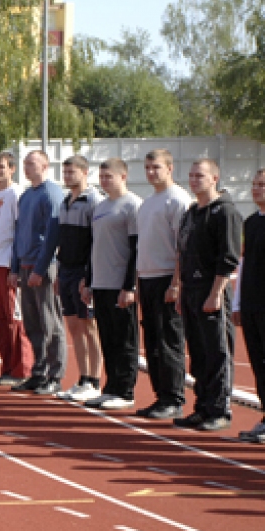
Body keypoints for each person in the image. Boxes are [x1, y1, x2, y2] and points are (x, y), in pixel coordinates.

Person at [173, 158, 241, 432]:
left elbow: (229, 258)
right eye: (190, 175)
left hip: (212, 291)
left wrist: (215, 294)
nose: (194, 180)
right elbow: (182, 252)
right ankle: (202, 407)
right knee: (198, 353)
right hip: (190, 290)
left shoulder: (225, 213)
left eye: (199, 175)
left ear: (215, 178)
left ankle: (219, 409)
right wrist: (178, 287)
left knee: (217, 352)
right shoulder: (190, 213)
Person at [135, 149, 191, 420]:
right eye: (147, 167)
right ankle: (161, 396)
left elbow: (183, 247)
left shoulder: (178, 200)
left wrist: (176, 283)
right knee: (153, 340)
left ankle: (173, 397)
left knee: (169, 339)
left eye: (156, 167)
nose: (150, 172)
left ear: (170, 168)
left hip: (166, 277)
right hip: (146, 279)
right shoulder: (148, 203)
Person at [81, 158, 141, 410]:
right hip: (101, 282)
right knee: (108, 337)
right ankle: (111, 386)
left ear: (123, 176)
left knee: (124, 338)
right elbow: (94, 245)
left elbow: (136, 248)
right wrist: (89, 280)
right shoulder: (100, 206)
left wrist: (129, 286)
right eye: (102, 177)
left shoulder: (133, 205)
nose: (104, 181)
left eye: (109, 177)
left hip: (120, 284)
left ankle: (125, 390)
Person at [10, 150, 68, 396]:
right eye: (25, 164)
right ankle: (38, 372)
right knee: (33, 323)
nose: (26, 167)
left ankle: (55, 376)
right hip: (24, 266)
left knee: (50, 323)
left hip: (42, 268)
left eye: (31, 163)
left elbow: (52, 237)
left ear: (45, 165)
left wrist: (40, 268)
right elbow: (18, 233)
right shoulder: (25, 197)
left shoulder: (51, 194)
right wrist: (14, 268)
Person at [54, 155, 103, 403]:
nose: (67, 177)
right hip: (66, 271)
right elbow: (63, 240)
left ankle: (95, 380)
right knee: (74, 327)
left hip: (84, 273)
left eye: (72, 172)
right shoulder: (65, 203)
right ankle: (83, 378)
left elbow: (95, 242)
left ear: (85, 172)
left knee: (89, 326)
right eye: (65, 172)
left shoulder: (93, 201)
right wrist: (59, 272)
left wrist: (89, 275)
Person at [0, 152, 33, 385]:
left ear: (12, 169)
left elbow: (20, 230)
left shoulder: (16, 193)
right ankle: (6, 366)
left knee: (14, 317)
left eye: (2, 167)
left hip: (7, 263)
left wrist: (15, 266)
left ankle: (21, 369)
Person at [234, 168, 265, 443]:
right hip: (252, 303)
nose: (257, 189)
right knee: (258, 363)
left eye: (263, 185)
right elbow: (244, 264)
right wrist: (238, 301)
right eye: (255, 184)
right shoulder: (251, 222)